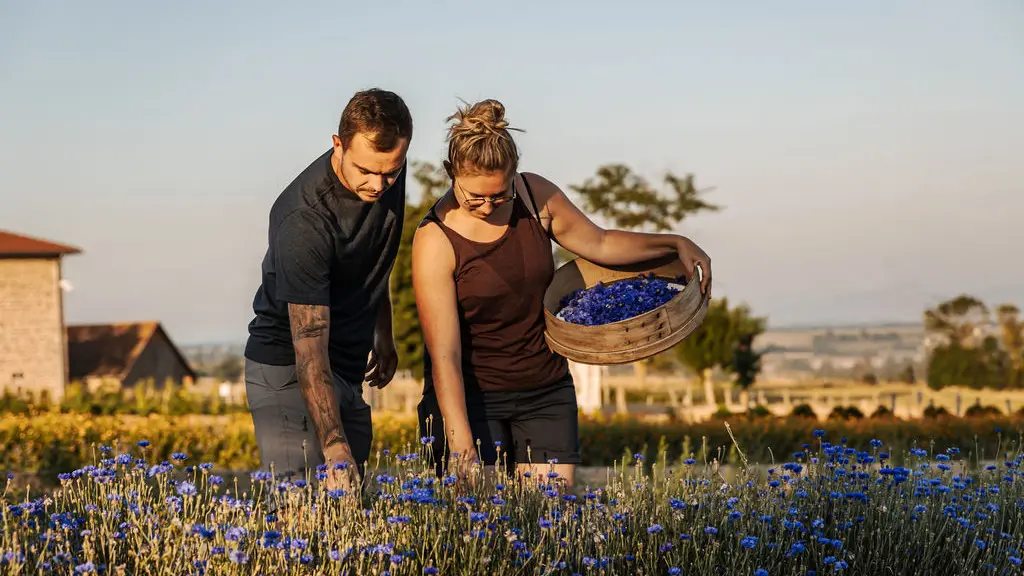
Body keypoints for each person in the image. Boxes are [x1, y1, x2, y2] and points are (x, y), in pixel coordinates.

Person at [412, 99, 711, 487]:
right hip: (471, 397)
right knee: (481, 515)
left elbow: (600, 243)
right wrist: (460, 442)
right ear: (450, 172)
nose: (487, 207)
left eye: (499, 196)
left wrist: (673, 243)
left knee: (552, 515)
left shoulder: (535, 196)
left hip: (544, 389)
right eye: (474, 197)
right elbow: (444, 354)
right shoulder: (434, 240)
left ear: (514, 175)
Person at [243, 88, 412, 495]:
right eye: (366, 171)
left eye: (390, 172)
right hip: (291, 365)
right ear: (338, 144)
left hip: (347, 364)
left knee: (349, 509)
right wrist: (334, 444)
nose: (378, 185)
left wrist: (383, 332)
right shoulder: (305, 220)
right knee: (299, 511)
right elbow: (309, 345)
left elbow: (374, 253)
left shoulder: (386, 165)